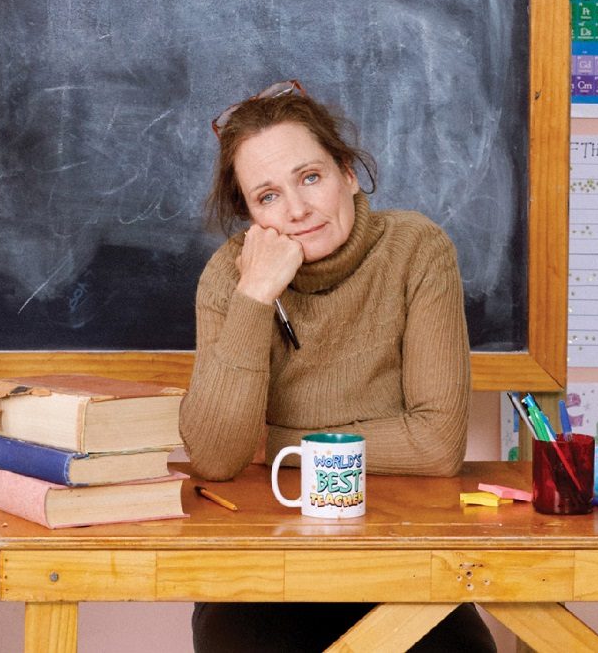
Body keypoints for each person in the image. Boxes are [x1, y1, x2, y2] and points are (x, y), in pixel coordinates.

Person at [179, 81, 494, 652]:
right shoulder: (230, 277)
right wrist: (254, 294)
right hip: (261, 571)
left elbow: (436, 444)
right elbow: (216, 459)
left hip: (402, 559)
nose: (297, 210)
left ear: (347, 173)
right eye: (268, 196)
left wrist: (275, 445)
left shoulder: (416, 250)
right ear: (248, 214)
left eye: (310, 178)